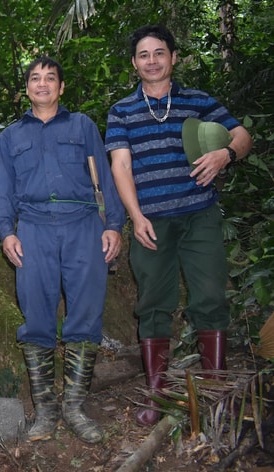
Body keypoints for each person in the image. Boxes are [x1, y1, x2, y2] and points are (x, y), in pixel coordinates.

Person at [106, 25, 252, 426]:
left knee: (209, 296)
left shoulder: (198, 101)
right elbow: (121, 165)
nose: (151, 60)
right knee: (153, 303)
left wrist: (225, 154)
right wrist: (135, 218)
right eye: (143, 54)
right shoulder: (122, 110)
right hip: (151, 220)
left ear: (173, 57)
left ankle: (215, 390)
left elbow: (241, 134)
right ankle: (158, 395)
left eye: (159, 52)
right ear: (134, 63)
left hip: (199, 214)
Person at [0, 57, 125, 444]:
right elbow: (3, 189)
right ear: (27, 88)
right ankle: (46, 410)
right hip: (32, 229)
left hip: (83, 225)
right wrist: (6, 232)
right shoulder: (11, 136)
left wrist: (114, 225)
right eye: (35, 78)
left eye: (51, 78)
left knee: (85, 314)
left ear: (61, 87)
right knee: (36, 315)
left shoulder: (82, 125)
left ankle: (75, 407)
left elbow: (105, 176)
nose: (43, 84)